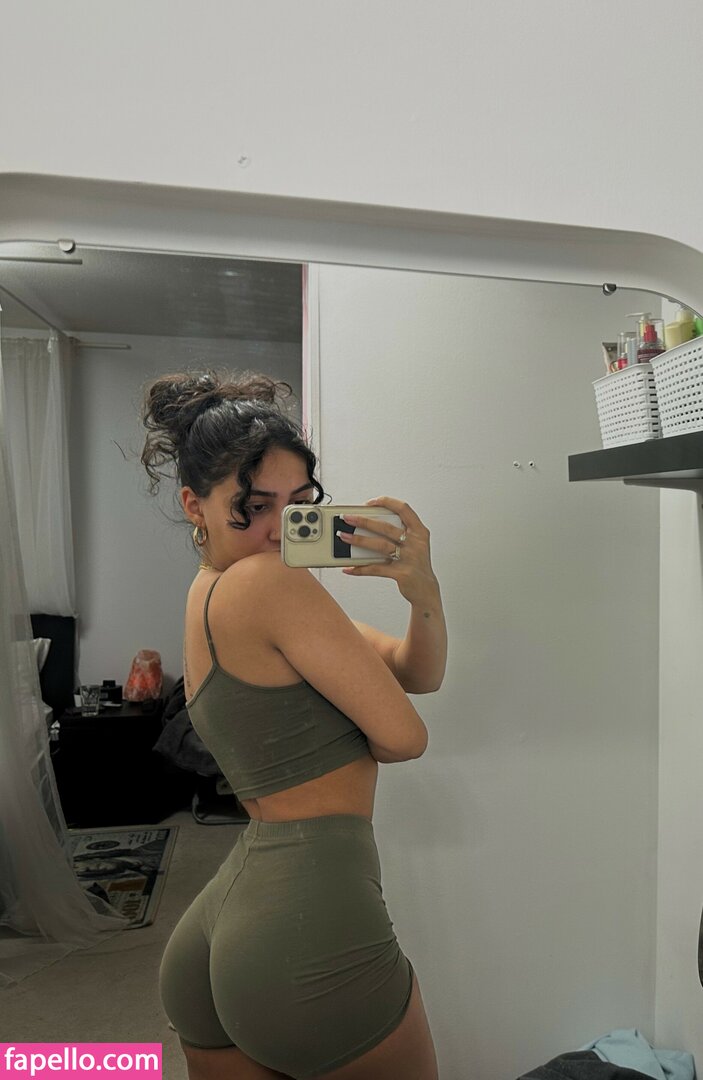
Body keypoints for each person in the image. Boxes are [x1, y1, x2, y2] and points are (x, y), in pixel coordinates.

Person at [140, 370, 447, 1080]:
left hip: (228, 919)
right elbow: (406, 736)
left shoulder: (212, 589)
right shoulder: (272, 584)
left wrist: (422, 594)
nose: (281, 529)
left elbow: (415, 670)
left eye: (299, 504)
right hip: (307, 919)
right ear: (194, 504)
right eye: (254, 507)